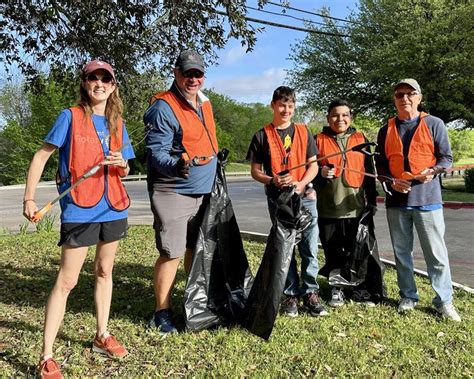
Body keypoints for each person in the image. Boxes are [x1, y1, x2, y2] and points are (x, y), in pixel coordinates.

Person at [23, 60, 134, 378]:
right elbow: (41, 156)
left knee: (104, 271)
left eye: (105, 79)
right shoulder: (69, 116)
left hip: (113, 206)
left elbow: (125, 169)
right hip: (80, 209)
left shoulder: (117, 122)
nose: (99, 83)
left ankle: (102, 335)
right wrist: (29, 198)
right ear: (85, 83)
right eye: (93, 78)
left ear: (113, 86)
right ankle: (46, 356)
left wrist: (120, 163)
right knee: (67, 281)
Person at [144, 50, 219, 333]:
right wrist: (178, 165)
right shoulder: (163, 107)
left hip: (204, 191)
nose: (193, 79)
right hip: (173, 190)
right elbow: (155, 154)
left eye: (197, 74)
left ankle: (193, 301)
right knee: (171, 252)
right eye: (187, 73)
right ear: (176, 73)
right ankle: (161, 312)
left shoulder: (203, 101)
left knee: (194, 249)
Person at [375, 78, 461, 321]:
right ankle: (408, 295)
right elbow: (380, 165)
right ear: (395, 100)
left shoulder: (434, 124)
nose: (405, 98)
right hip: (397, 202)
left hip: (427, 200)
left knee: (436, 254)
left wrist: (432, 172)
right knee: (402, 253)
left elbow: (446, 159)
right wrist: (391, 181)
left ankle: (444, 301)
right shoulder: (386, 129)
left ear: (419, 98)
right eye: (399, 95)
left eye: (410, 94)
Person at [246, 86, 327, 317]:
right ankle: (290, 294)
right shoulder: (262, 135)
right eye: (282, 105)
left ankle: (310, 292)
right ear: (272, 105)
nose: (286, 110)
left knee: (310, 247)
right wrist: (272, 180)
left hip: (305, 198)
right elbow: (255, 171)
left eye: (290, 106)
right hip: (279, 201)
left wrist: (301, 184)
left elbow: (314, 165)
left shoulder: (303, 131)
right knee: (287, 246)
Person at [314, 99, 379, 307]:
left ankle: (359, 288)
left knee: (357, 251)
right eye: (335, 115)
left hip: (355, 208)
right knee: (333, 251)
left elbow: (370, 174)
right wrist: (320, 173)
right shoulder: (317, 140)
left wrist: (372, 201)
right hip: (327, 208)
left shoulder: (361, 139)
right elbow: (308, 171)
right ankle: (337, 288)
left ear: (351, 117)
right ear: (328, 118)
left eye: (344, 115)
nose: (339, 119)